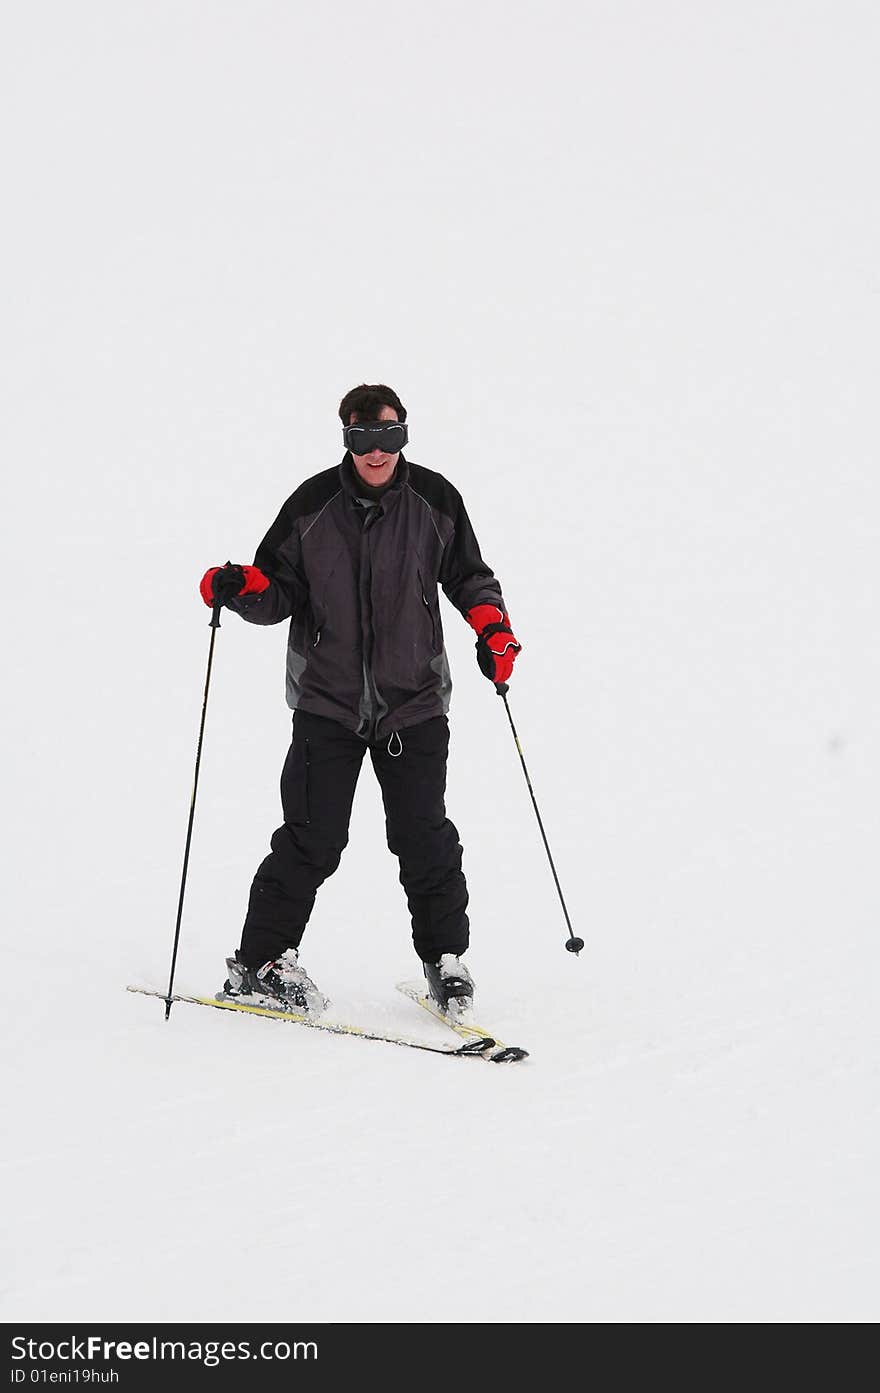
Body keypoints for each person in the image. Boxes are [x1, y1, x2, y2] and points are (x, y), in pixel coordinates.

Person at [199, 383, 521, 1020]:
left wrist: (492, 627)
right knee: (311, 839)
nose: (377, 453)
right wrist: (241, 588)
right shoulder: (312, 505)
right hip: (329, 703)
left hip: (415, 702)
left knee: (424, 835)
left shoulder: (435, 499)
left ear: (404, 435)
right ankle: (260, 963)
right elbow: (277, 589)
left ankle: (445, 961)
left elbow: (468, 575)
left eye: (389, 438)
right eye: (363, 440)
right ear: (346, 438)